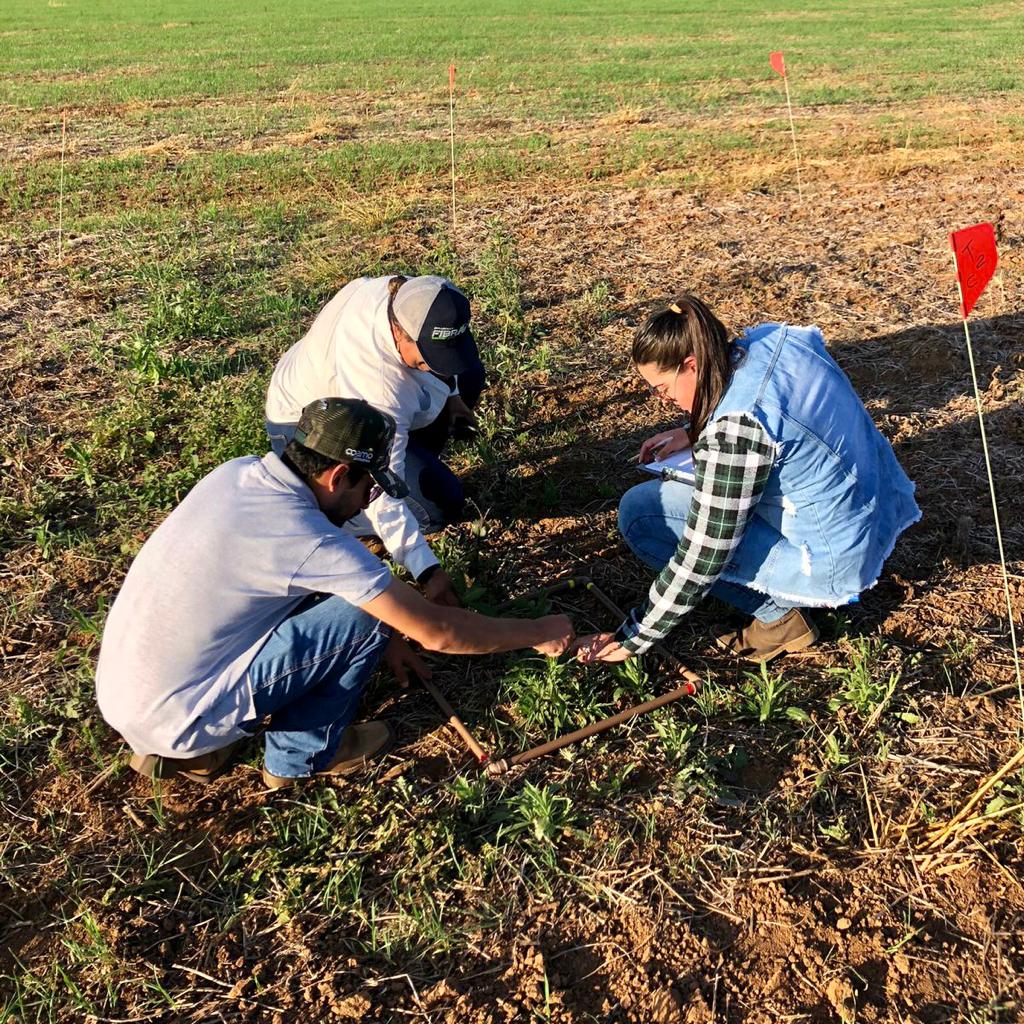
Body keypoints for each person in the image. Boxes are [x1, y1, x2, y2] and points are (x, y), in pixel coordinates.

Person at [96, 398, 574, 789]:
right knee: (363, 614)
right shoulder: (308, 540)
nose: (368, 503)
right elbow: (440, 631)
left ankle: (201, 746)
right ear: (338, 475)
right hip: (178, 716)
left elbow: (279, 583)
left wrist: (388, 640)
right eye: (368, 488)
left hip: (128, 692)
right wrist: (539, 630)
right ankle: (300, 758)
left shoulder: (238, 474)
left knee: (370, 613)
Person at [577, 295, 920, 666]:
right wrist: (693, 431)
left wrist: (636, 635)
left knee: (641, 513)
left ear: (691, 365)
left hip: (830, 559)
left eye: (661, 389)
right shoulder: (776, 341)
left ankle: (782, 616)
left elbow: (703, 555)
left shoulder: (737, 431)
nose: (662, 400)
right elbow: (780, 411)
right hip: (877, 508)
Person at [265, 274, 487, 608]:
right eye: (427, 358)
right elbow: (385, 493)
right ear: (399, 331)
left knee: (469, 373)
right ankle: (328, 517)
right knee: (438, 505)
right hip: (305, 429)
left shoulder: (416, 297)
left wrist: (453, 394)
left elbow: (446, 353)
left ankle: (417, 458)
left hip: (362, 407)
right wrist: (428, 572)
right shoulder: (377, 388)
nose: (435, 369)